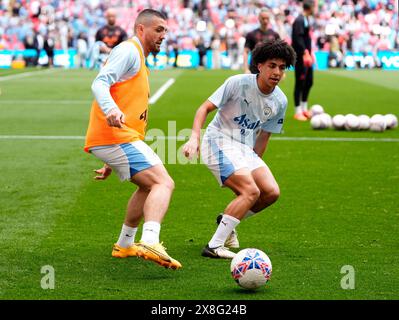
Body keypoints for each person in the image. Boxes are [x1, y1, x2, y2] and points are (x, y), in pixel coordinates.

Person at [84, 9, 181, 270]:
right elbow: (100, 83)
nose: (163, 35)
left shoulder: (138, 56)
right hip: (115, 136)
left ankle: (125, 244)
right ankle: (150, 239)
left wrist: (110, 159)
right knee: (164, 183)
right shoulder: (129, 50)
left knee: (148, 186)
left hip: (116, 139)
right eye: (158, 30)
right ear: (141, 29)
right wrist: (112, 110)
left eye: (165, 31)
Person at [183, 39, 296, 258]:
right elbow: (204, 108)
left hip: (244, 150)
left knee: (271, 192)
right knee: (250, 191)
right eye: (272, 65)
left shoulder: (280, 101)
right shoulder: (237, 82)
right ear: (259, 65)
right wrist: (194, 138)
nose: (277, 72)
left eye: (282, 68)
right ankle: (214, 246)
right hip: (218, 141)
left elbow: (265, 136)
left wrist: (252, 164)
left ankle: (226, 219)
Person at [292, 1, 315, 121]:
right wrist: (305, 53)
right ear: (310, 7)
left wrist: (311, 53)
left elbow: (306, 38)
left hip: (307, 55)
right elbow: (297, 38)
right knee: (300, 83)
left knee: (309, 82)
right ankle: (297, 111)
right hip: (301, 57)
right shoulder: (299, 20)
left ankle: (304, 108)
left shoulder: (306, 19)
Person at [243, 9, 280, 74]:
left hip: (270, 68)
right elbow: (246, 51)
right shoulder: (251, 34)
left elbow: (280, 53)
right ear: (259, 18)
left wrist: (280, 69)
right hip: (254, 68)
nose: (265, 21)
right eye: (263, 18)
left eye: (267, 18)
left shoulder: (275, 35)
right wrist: (246, 68)